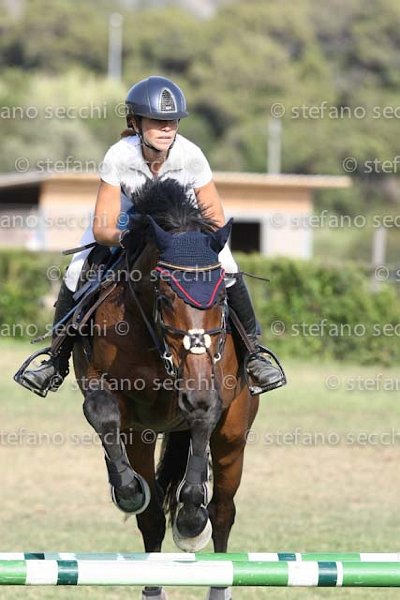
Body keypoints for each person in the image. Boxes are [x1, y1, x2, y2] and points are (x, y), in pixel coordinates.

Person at [16, 75, 286, 396]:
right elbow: (102, 227)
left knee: (227, 264)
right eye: (157, 121)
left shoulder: (191, 155)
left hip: (178, 230)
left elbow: (214, 219)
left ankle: (254, 354)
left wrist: (190, 240)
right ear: (135, 122)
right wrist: (132, 236)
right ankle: (56, 360)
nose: (167, 128)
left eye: (172, 121)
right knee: (76, 269)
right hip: (124, 225)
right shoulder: (119, 155)